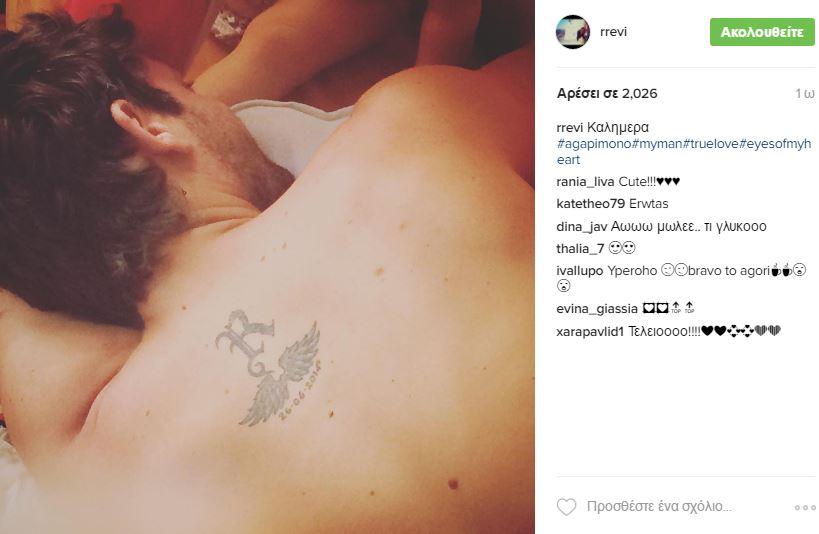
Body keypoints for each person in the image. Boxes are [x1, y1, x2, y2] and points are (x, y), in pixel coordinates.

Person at [0, 7, 532, 533]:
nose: (223, 106)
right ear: (145, 124)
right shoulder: (409, 134)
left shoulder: (92, 461)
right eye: (191, 90)